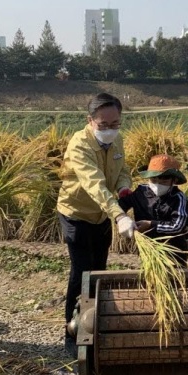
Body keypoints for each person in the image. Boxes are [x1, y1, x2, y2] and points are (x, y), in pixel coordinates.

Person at [56, 93, 133, 357]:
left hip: (102, 216)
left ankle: (94, 324)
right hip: (76, 214)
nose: (111, 130)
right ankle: (72, 332)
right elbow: (94, 184)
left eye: (115, 124)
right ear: (90, 121)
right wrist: (120, 215)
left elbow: (122, 169)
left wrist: (124, 188)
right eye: (104, 125)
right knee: (81, 273)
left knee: (99, 271)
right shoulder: (79, 145)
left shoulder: (117, 138)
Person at [119, 154, 188, 264]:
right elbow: (119, 206)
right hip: (147, 250)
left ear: (174, 180)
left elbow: (177, 226)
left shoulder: (178, 198)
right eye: (154, 180)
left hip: (174, 252)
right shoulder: (140, 192)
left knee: (174, 279)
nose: (158, 184)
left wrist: (151, 224)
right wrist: (122, 220)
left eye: (164, 181)